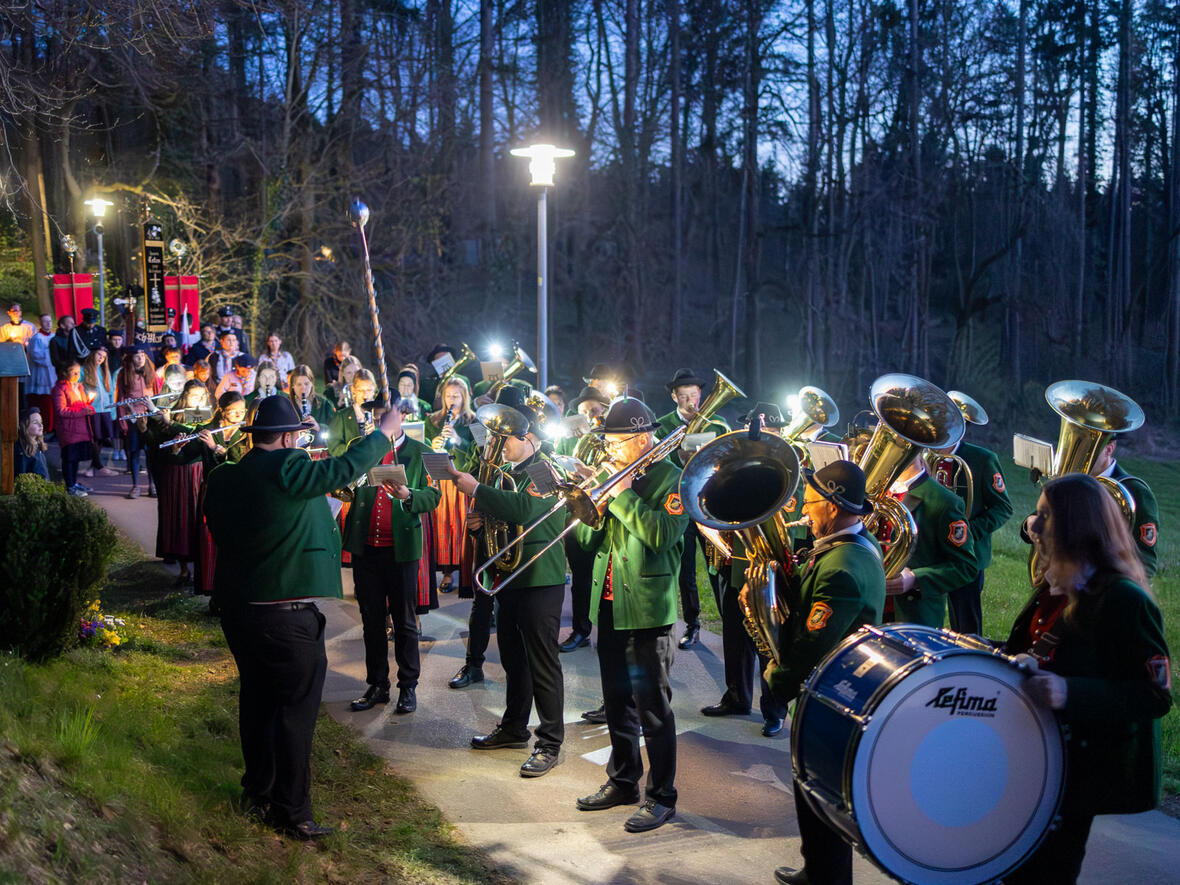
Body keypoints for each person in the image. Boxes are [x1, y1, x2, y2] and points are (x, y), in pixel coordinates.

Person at [204, 396, 400, 839]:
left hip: (239, 611)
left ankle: (258, 793)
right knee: (295, 714)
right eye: (296, 436)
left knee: (258, 704)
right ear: (289, 439)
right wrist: (383, 433)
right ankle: (293, 812)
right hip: (285, 617)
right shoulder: (287, 468)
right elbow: (341, 469)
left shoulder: (224, 476)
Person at [1002, 474, 1171, 884]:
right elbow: (1039, 648)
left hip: (1081, 766)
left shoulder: (1124, 599)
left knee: (1046, 873)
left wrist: (1068, 691)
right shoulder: (1057, 585)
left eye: (1045, 516)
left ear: (1076, 525)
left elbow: (1154, 695)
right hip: (1040, 755)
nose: (1033, 526)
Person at [765, 462, 886, 885]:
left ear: (833, 507)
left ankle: (826, 876)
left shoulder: (841, 568)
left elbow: (813, 646)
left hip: (830, 698)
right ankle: (816, 869)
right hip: (833, 695)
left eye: (811, 502)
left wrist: (777, 679)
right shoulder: (855, 544)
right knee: (813, 796)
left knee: (819, 795)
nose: (804, 509)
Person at [573, 396, 687, 832]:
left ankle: (662, 796)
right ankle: (623, 781)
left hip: (646, 610)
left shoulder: (673, 479)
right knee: (617, 702)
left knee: (653, 709)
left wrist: (619, 496)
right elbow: (587, 544)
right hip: (609, 606)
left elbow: (661, 534)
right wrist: (591, 507)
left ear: (642, 440)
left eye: (616, 442)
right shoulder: (615, 475)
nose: (609, 450)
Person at [447, 384, 569, 777]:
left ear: (528, 438)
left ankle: (550, 742)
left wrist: (477, 490)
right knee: (515, 659)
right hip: (511, 577)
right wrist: (480, 524)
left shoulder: (544, 469)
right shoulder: (509, 473)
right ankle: (515, 727)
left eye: (507, 438)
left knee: (542, 663)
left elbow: (527, 509)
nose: (499, 444)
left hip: (539, 578)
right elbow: (503, 520)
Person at [341, 404, 441, 714]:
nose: (379, 421)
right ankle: (377, 685)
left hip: (401, 550)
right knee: (371, 620)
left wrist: (408, 495)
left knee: (405, 622)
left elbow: (433, 496)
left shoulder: (420, 451)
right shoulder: (360, 446)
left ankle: (407, 686)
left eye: (385, 416)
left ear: (402, 417)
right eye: (376, 416)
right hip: (366, 548)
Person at [655, 367, 729, 649]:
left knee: (718, 564)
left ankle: (728, 621)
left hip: (711, 504)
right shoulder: (664, 425)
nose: (690, 402)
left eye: (694, 396)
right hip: (681, 504)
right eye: (684, 396)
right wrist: (680, 458)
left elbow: (728, 458)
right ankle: (692, 623)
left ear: (701, 395)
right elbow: (659, 464)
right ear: (674, 396)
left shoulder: (717, 424)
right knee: (686, 568)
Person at [928, 394, 1012, 634]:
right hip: (929, 549)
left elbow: (1003, 508)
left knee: (966, 624)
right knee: (925, 616)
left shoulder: (983, 460)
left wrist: (969, 532)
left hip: (966, 554)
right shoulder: (925, 455)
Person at [882, 454, 978, 629]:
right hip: (870, 606)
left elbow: (966, 567)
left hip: (912, 615)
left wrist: (915, 579)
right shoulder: (875, 489)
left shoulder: (944, 501)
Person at [556, 385, 614, 652]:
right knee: (580, 575)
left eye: (594, 410)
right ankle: (581, 630)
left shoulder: (612, 436)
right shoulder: (568, 439)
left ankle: (610, 632)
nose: (590, 416)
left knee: (606, 576)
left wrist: (593, 473)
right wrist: (569, 473)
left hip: (607, 512)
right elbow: (558, 466)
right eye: (583, 412)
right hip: (577, 511)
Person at [425, 376, 478, 594]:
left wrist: (457, 439)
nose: (452, 400)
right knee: (442, 526)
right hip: (440, 478)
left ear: (464, 397)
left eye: (456, 396)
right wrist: (433, 444)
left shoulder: (473, 421)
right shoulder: (433, 420)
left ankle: (466, 572)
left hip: (461, 477)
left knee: (461, 527)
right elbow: (423, 447)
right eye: (448, 396)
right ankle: (447, 572)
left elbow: (478, 451)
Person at [1088, 439, 1160, 576]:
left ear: (1109, 449)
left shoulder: (1136, 491)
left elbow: (1146, 563)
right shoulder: (1070, 483)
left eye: (1087, 449)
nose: (1079, 456)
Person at [115, 344, 161, 499]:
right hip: (133, 418)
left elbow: (157, 395)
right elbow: (120, 398)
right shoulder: (123, 374)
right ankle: (135, 486)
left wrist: (157, 415)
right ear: (131, 358)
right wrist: (122, 420)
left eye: (143, 356)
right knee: (134, 452)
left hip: (149, 418)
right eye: (137, 356)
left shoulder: (151, 373)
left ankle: (152, 485)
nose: (141, 359)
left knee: (150, 452)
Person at [52, 362, 96, 496]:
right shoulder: (60, 389)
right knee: (69, 458)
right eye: (74, 372)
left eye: (79, 372)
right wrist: (82, 411)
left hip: (81, 428)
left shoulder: (79, 387)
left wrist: (88, 407)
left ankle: (74, 483)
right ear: (65, 373)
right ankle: (69, 486)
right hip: (68, 429)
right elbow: (61, 410)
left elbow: (82, 404)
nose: (77, 375)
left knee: (76, 458)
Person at [81, 347, 117, 477]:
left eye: (104, 356)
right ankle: (99, 466)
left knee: (101, 438)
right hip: (93, 410)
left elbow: (111, 392)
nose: (101, 358)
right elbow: (79, 388)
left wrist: (112, 410)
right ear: (93, 354)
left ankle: (93, 466)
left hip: (105, 409)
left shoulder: (104, 371)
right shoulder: (83, 370)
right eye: (99, 354)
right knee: (94, 438)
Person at [26, 314, 56, 434]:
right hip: (41, 374)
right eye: (45, 321)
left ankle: (53, 426)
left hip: (53, 373)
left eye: (50, 321)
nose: (49, 324)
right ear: (40, 323)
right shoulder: (37, 338)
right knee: (43, 401)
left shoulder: (54, 336)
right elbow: (37, 356)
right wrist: (51, 355)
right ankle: (46, 428)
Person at [288, 364, 336, 429]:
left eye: (306, 384)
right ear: (293, 386)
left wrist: (318, 427)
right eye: (299, 384)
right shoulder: (286, 405)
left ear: (312, 384)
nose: (303, 388)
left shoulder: (325, 404)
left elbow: (335, 428)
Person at [15, 407, 49, 479]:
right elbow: (21, 478)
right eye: (35, 422)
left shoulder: (37, 446)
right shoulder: (23, 452)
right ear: (25, 426)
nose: (40, 425)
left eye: (41, 422)